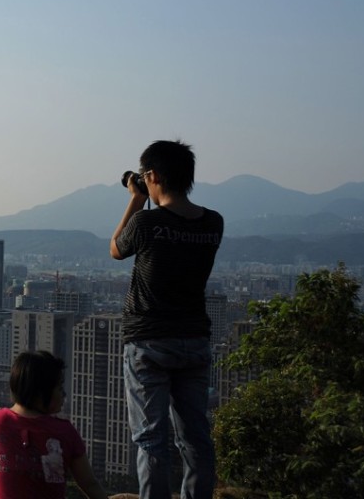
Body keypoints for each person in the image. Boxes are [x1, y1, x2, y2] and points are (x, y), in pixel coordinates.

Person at [110, 139, 224, 499]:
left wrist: (135, 198)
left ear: (154, 175)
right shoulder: (213, 223)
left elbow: (116, 248)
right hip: (195, 341)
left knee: (151, 439)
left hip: (149, 342)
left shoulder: (147, 221)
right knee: (195, 436)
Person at [0, 351, 109, 499]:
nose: (63, 394)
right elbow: (89, 484)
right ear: (40, 393)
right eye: (59, 387)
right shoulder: (64, 431)